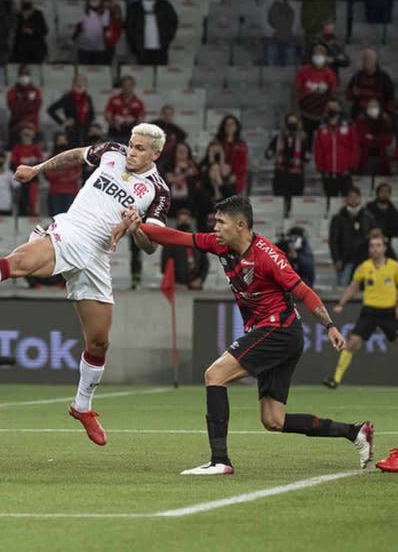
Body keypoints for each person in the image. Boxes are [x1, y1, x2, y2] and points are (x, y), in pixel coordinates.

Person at [0, 124, 171, 445]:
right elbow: (76, 155)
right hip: (72, 231)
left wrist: (137, 226)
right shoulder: (111, 153)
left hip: (97, 258)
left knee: (99, 342)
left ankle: (82, 407)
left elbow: (150, 245)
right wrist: (37, 168)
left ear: (156, 154)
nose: (131, 151)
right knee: (19, 264)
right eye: (131, 145)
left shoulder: (157, 191)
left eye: (140, 148)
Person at [132, 196, 373, 474]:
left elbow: (303, 291)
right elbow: (176, 237)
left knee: (215, 374)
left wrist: (329, 325)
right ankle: (356, 432)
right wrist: (139, 225)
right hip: (277, 332)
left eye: (221, 222)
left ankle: (220, 461)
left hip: (278, 329)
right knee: (273, 420)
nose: (216, 227)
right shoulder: (219, 244)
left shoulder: (268, 256)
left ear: (241, 225)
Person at [323, 231, 398, 389]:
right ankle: (335, 379)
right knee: (352, 343)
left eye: (378, 246)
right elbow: (353, 287)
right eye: (372, 246)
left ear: (384, 248)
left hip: (389, 312)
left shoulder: (394, 267)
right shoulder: (364, 267)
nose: (375, 249)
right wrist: (341, 304)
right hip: (369, 311)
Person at [329, 186, 377, 286]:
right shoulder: (338, 218)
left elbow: (374, 234)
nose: (354, 200)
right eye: (351, 197)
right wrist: (336, 258)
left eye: (356, 197)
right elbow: (333, 240)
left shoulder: (368, 216)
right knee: (343, 286)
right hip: (345, 259)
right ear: (346, 199)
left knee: (366, 286)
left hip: (364, 259)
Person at [313, 98, 357, 205]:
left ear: (339, 108)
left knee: (347, 202)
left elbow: (355, 146)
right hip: (328, 173)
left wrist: (351, 166)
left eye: (335, 107)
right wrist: (321, 168)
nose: (332, 109)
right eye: (330, 107)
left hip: (344, 172)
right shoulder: (321, 125)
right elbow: (318, 148)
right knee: (330, 203)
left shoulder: (349, 124)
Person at [265, 113, 310, 217]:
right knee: (280, 202)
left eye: (294, 122)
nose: (292, 125)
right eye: (290, 122)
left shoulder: (303, 139)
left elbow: (307, 157)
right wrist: (270, 152)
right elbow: (268, 154)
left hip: (296, 176)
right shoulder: (278, 138)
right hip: (281, 175)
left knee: (296, 203)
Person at [295, 42, 338, 144]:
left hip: (323, 117)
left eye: (321, 54)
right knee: (305, 145)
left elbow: (333, 96)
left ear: (326, 57)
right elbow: (295, 93)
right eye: (316, 54)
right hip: (305, 115)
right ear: (312, 56)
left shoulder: (330, 74)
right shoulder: (303, 71)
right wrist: (297, 116)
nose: (318, 56)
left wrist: (331, 117)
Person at [125, 0, 178, 65]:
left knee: (160, 76)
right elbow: (129, 29)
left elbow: (173, 22)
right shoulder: (134, 7)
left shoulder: (165, 5)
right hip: (142, 52)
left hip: (161, 51)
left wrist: (166, 40)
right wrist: (134, 48)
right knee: (144, 77)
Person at [159, 208, 208, 290]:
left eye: (186, 221)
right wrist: (175, 283)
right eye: (182, 221)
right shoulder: (170, 242)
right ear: (177, 222)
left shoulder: (198, 239)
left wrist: (200, 279)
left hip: (196, 285)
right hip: (178, 286)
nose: (184, 223)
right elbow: (165, 267)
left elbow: (205, 263)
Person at [344, 49, 395, 122]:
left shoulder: (384, 78)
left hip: (378, 113)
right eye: (365, 59)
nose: (367, 62)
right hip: (360, 113)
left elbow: (391, 99)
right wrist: (353, 93)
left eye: (370, 59)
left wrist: (388, 114)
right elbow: (347, 95)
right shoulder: (357, 76)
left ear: (375, 61)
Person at [47, 74, 95, 148]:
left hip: (86, 132)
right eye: (78, 81)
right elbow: (50, 110)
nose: (80, 83)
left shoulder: (88, 98)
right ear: (73, 84)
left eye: (83, 81)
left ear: (86, 84)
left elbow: (92, 114)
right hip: (72, 132)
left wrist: (91, 125)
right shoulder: (68, 97)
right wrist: (62, 122)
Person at [44, 132, 82, 217]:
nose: (62, 143)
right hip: (55, 193)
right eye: (60, 141)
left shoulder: (74, 157)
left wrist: (59, 176)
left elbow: (77, 174)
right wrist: (66, 176)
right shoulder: (51, 158)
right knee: (56, 220)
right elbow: (48, 174)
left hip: (70, 193)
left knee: (70, 219)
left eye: (64, 141)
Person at [11, 122, 44, 216]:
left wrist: (32, 162)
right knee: (22, 201)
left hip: (33, 179)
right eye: (25, 134)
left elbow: (41, 163)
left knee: (33, 200)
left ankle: (33, 216)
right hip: (21, 179)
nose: (27, 136)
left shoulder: (36, 148)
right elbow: (12, 165)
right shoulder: (17, 148)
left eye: (29, 133)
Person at [354, 98, 393, 177]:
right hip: (365, 158)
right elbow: (361, 138)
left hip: (381, 157)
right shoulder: (360, 121)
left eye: (375, 106)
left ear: (379, 108)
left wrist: (372, 138)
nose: (373, 109)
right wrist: (378, 140)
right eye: (370, 106)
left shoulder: (385, 121)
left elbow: (388, 139)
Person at [74, 0, 114, 65]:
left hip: (99, 50)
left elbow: (106, 29)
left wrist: (108, 33)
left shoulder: (105, 12)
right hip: (84, 49)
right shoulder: (82, 10)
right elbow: (77, 29)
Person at [6, 64, 42, 145]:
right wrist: (28, 101)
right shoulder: (12, 91)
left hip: (34, 126)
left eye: (26, 74)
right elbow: (13, 108)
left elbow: (36, 107)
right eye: (22, 74)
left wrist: (21, 102)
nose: (24, 76)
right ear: (18, 75)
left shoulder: (36, 91)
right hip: (16, 127)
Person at [260, 0, 297, 67]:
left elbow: (296, 21)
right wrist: (274, 33)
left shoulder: (293, 3)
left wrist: (289, 33)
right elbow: (263, 22)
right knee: (272, 71)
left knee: (289, 70)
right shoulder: (267, 1)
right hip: (272, 40)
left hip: (288, 40)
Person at [105, 75, 145, 144]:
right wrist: (113, 123)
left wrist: (134, 125)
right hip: (115, 132)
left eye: (129, 85)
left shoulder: (138, 102)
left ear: (133, 86)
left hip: (131, 133)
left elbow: (141, 118)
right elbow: (108, 115)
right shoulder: (114, 99)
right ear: (121, 87)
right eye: (125, 85)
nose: (127, 88)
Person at [10, 0, 49, 64]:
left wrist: (32, 31)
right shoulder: (17, 15)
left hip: (36, 50)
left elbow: (44, 30)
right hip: (20, 50)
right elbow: (14, 30)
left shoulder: (38, 14)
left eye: (28, 1)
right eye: (25, 1)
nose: (26, 3)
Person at [215, 115, 249, 195]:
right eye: (227, 124)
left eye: (232, 124)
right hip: (218, 173)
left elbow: (243, 163)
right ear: (223, 127)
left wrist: (235, 175)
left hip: (235, 176)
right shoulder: (217, 141)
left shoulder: (241, 144)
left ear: (236, 127)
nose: (230, 127)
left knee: (230, 194)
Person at [150, 105, 187, 174]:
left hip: (170, 158)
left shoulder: (176, 130)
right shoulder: (153, 126)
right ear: (161, 115)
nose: (167, 116)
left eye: (170, 114)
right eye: (165, 114)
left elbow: (183, 137)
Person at [164, 141, 199, 214]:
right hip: (172, 201)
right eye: (179, 150)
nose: (182, 152)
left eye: (184, 150)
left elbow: (197, 182)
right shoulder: (169, 165)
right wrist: (186, 173)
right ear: (175, 152)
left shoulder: (193, 166)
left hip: (189, 201)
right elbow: (170, 180)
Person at [365, 183, 398, 258]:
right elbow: (364, 224)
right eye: (382, 191)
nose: (384, 194)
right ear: (377, 193)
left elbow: (396, 229)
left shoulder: (393, 211)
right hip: (369, 239)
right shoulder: (369, 208)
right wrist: (373, 232)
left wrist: (383, 234)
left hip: (386, 240)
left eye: (387, 192)